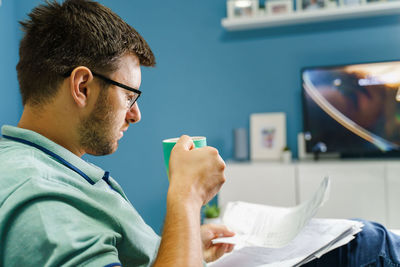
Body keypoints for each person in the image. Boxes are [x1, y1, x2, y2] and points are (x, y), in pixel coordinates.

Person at [0, 1, 399, 266]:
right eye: (129, 95)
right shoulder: (43, 206)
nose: (135, 114)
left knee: (360, 237)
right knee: (374, 247)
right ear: (83, 87)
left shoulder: (43, 169)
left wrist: (183, 243)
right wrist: (186, 198)